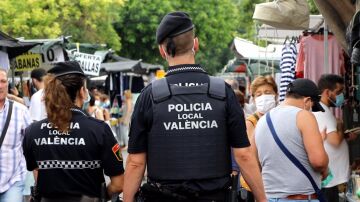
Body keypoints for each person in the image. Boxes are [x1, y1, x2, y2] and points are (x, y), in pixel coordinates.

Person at [123, 11, 266, 202]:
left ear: (162, 50)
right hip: (216, 197)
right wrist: (263, 199)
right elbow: (244, 155)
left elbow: (135, 162)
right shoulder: (223, 92)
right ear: (196, 44)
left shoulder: (149, 95)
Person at [22, 61, 124, 202]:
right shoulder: (99, 130)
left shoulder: (32, 132)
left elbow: (38, 173)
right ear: (82, 91)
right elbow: (119, 184)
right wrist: (101, 196)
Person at [254, 78, 329, 201]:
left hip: (270, 197)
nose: (311, 110)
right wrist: (320, 144)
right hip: (300, 198)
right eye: (312, 106)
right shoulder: (304, 115)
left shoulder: (262, 120)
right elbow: (319, 162)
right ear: (307, 101)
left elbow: (254, 161)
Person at [313, 74, 357, 202]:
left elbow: (332, 138)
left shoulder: (323, 110)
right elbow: (335, 141)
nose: (341, 95)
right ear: (327, 92)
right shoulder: (321, 111)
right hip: (328, 178)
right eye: (339, 92)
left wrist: (345, 136)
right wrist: (340, 125)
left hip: (330, 177)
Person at [238, 75, 278, 202]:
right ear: (254, 99)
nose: (263, 97)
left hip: (275, 181)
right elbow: (250, 157)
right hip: (255, 184)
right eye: (258, 94)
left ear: (275, 95)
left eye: (267, 92)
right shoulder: (251, 122)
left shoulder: (279, 118)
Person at [0, 68, 32, 202]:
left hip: (13, 180)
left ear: (7, 84)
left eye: (2, 81)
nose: (0, 85)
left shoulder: (21, 111)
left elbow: (31, 144)